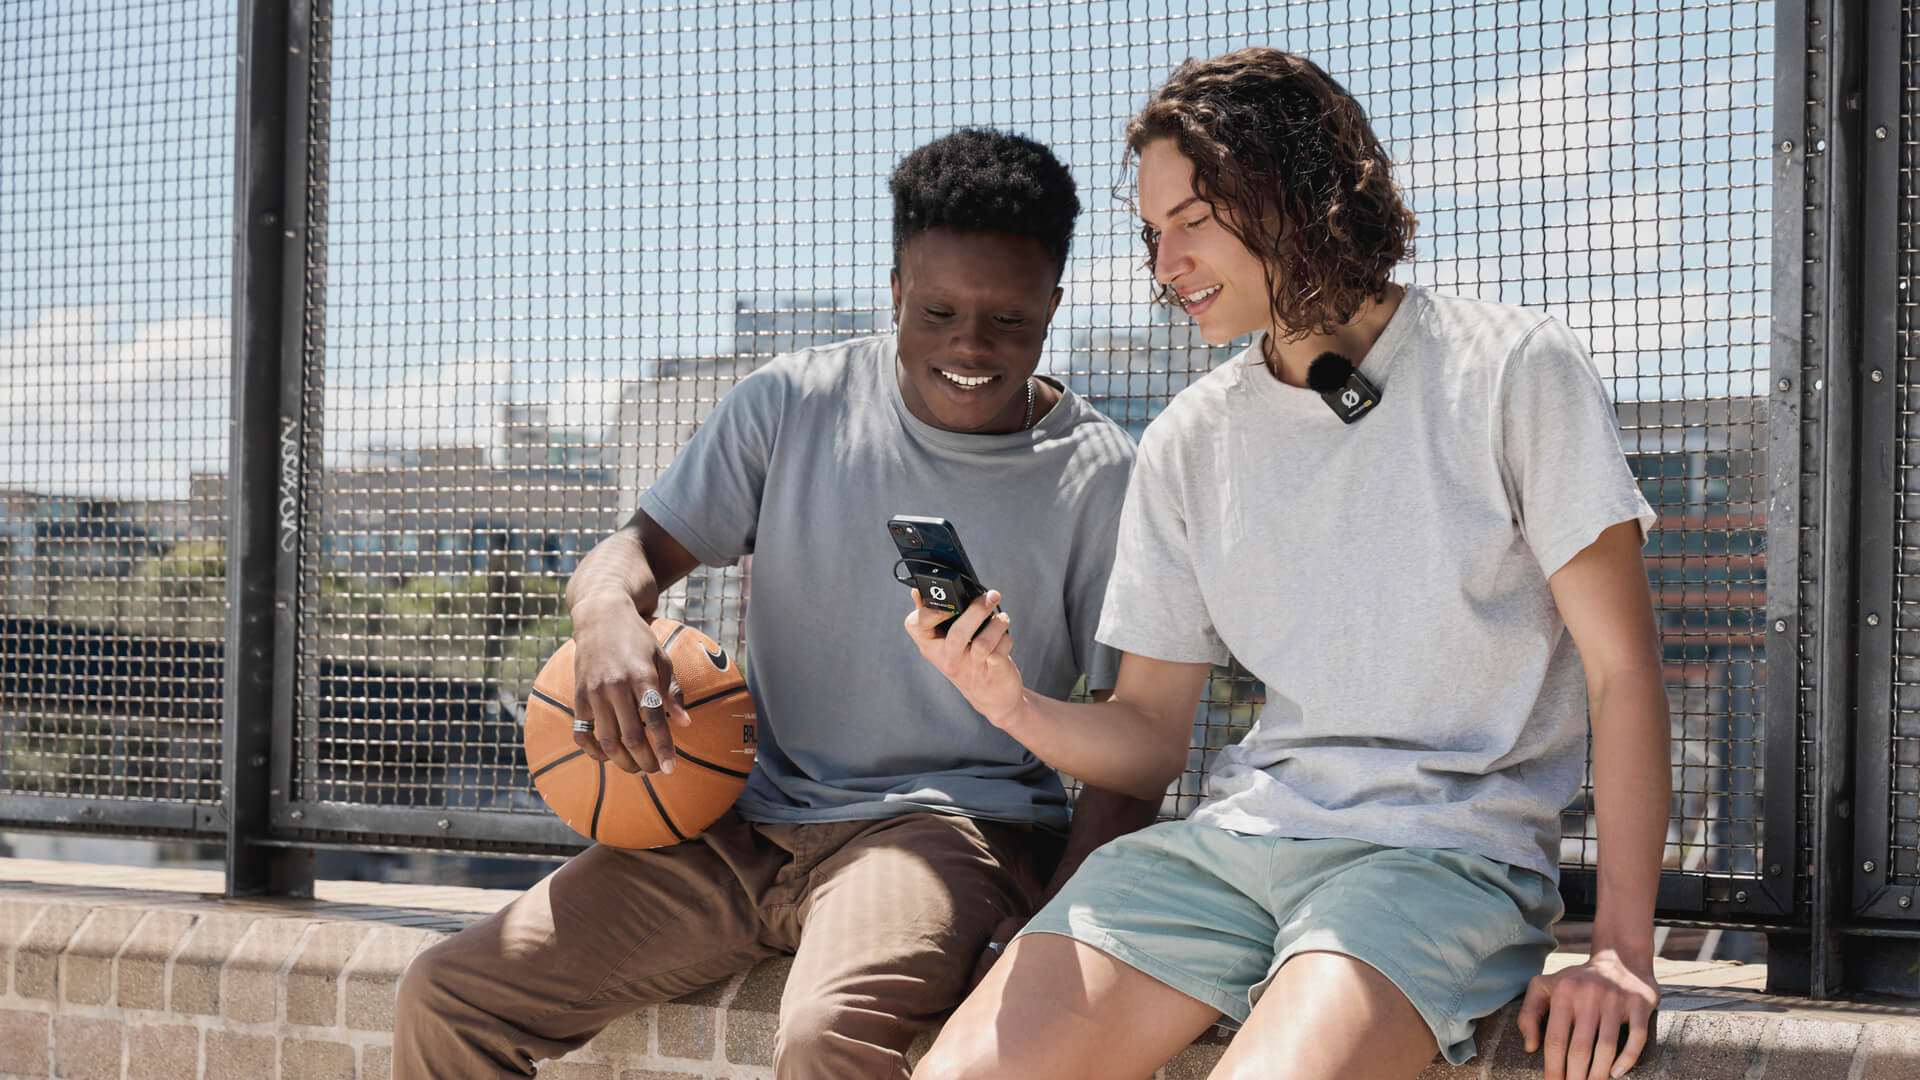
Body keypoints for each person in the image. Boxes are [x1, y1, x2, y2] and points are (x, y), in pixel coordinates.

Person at [908, 49, 1667, 1080]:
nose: (1163, 262)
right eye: (1150, 231)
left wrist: (1620, 949)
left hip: (1440, 859)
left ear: (1296, 193)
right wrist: (1009, 703)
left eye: (1193, 221)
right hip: (1231, 850)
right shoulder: (1189, 437)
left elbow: (1623, 671)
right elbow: (1144, 740)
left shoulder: (1511, 369)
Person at [392, 128, 1152, 1080]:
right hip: (743, 818)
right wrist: (604, 620)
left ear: (1054, 306)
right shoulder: (792, 401)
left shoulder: (1102, 476)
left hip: (945, 828)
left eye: (1007, 320)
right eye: (938, 311)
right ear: (892, 293)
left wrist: (1050, 929)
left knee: (826, 1031)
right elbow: (629, 555)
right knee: (449, 994)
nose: (968, 344)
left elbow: (1136, 750)